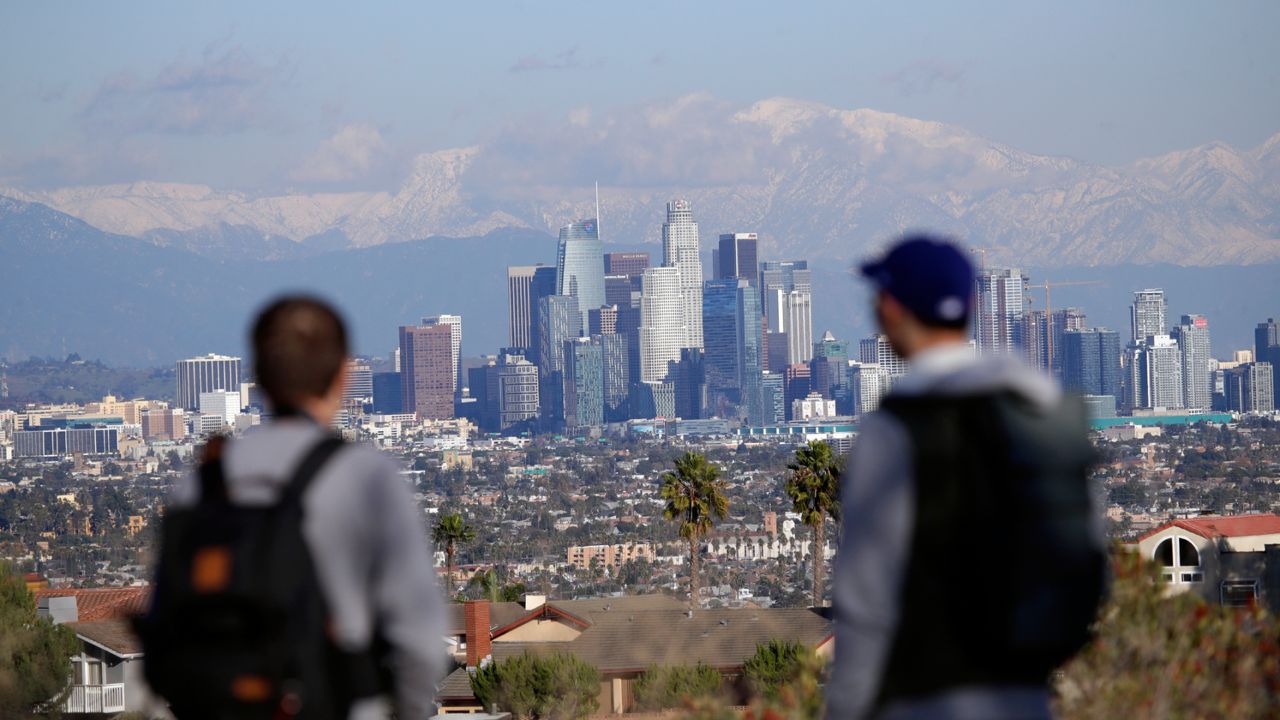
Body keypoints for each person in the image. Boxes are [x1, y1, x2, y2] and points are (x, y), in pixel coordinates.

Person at [826, 235, 1105, 720]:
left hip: (924, 701)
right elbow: (1086, 551)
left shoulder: (896, 429)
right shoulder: (1039, 409)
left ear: (891, 307)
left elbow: (868, 600)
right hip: (1025, 697)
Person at [153, 296, 446, 719]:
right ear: (345, 375)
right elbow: (418, 637)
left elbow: (166, 629)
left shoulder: (203, 482)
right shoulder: (365, 477)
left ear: (259, 379)